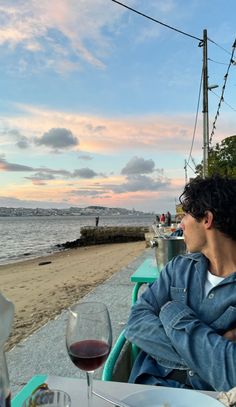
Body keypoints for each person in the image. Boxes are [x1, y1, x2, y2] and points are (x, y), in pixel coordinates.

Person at [125, 175, 236, 391]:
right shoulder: (179, 267)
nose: (181, 224)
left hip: (209, 398)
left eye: (185, 215)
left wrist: (170, 312)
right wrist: (213, 349)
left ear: (207, 219)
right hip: (149, 386)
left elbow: (232, 376)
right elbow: (136, 321)